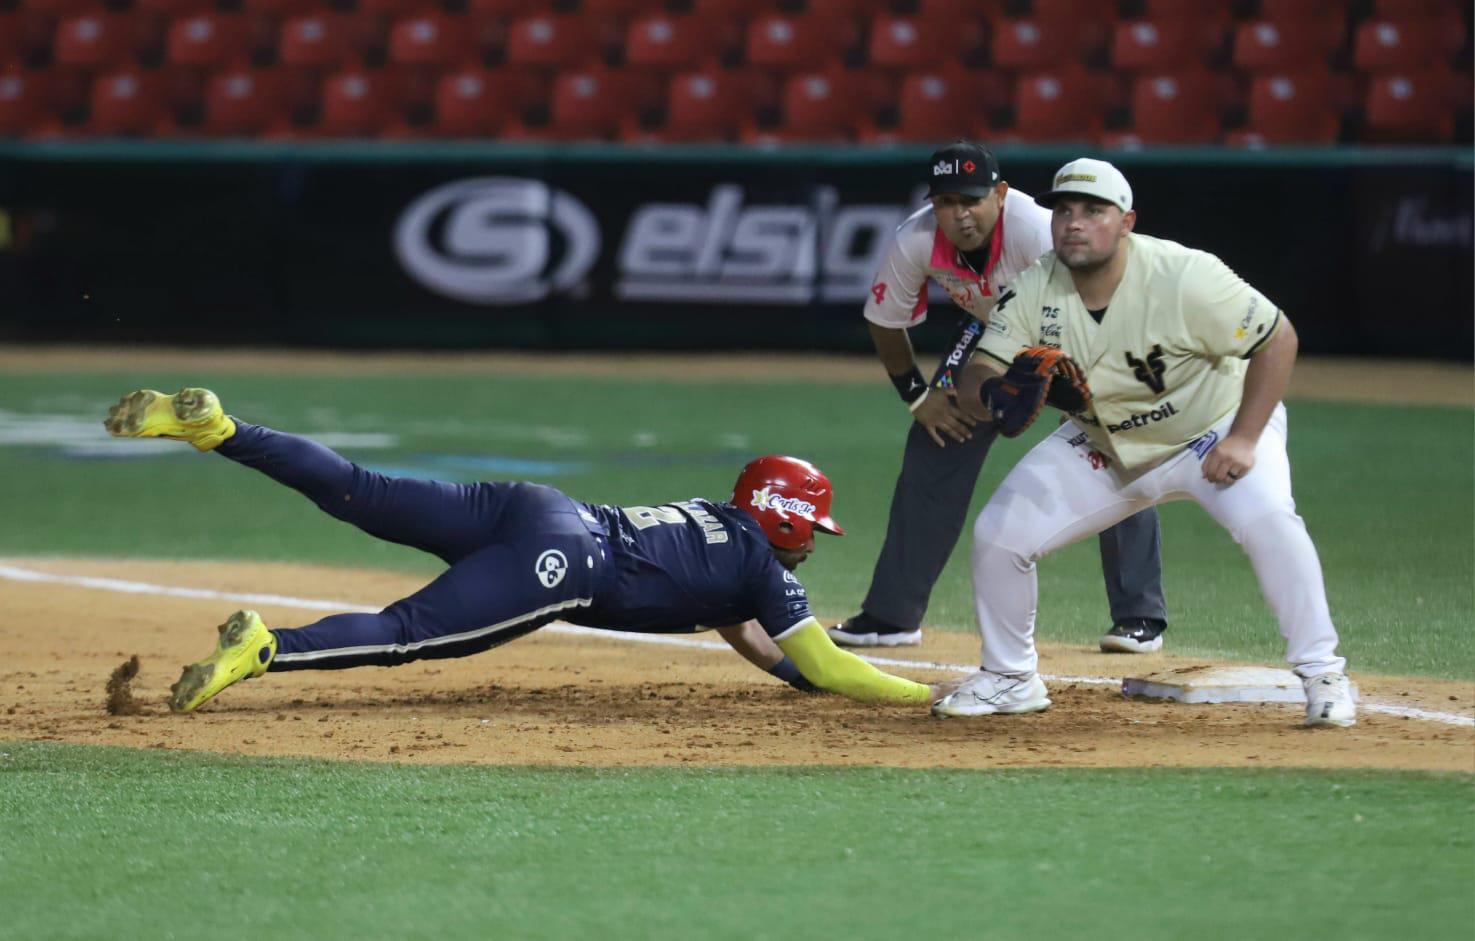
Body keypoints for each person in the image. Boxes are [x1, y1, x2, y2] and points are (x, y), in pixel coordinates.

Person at [101, 388, 954, 713]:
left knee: (355, 489)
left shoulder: (716, 531)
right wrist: (921, 695)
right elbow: (830, 666)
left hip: (533, 508)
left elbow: (761, 644)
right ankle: (267, 649)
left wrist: (792, 673)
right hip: (565, 560)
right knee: (409, 631)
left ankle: (221, 429)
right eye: (813, 527)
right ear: (788, 520)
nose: (811, 545)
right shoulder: (760, 568)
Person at [930, 158, 1355, 728]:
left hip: (1211, 432)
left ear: (1126, 221)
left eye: (1093, 210)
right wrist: (997, 393)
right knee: (1000, 536)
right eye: (1062, 210)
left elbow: (1277, 339)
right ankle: (1009, 677)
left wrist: (1247, 438)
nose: (1074, 223)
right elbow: (977, 369)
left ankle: (1323, 672)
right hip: (1106, 448)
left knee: (1271, 521)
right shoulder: (1036, 285)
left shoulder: (1185, 275)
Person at [830, 139, 1170, 654]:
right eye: (947, 202)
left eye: (971, 199)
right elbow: (883, 322)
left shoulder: (1037, 232)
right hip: (994, 335)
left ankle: (1139, 617)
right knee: (937, 438)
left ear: (1001, 194)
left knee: (1112, 445)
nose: (960, 214)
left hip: (1087, 335)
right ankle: (892, 615)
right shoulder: (917, 239)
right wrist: (919, 397)